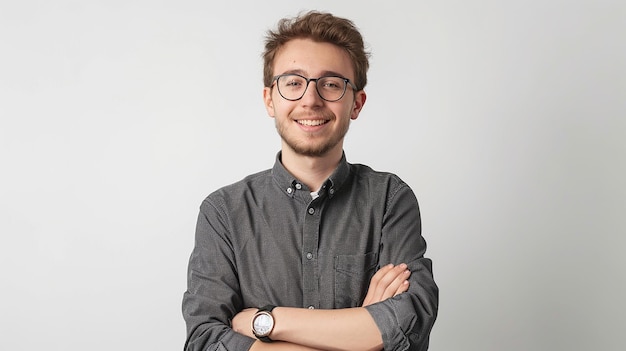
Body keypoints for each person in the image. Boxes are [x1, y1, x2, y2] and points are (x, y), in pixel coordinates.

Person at [182, 10, 438, 351]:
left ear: (356, 103)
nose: (310, 99)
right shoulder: (223, 213)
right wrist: (359, 332)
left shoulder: (391, 199)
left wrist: (267, 322)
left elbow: (408, 324)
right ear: (269, 99)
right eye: (293, 82)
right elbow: (205, 342)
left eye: (331, 84)